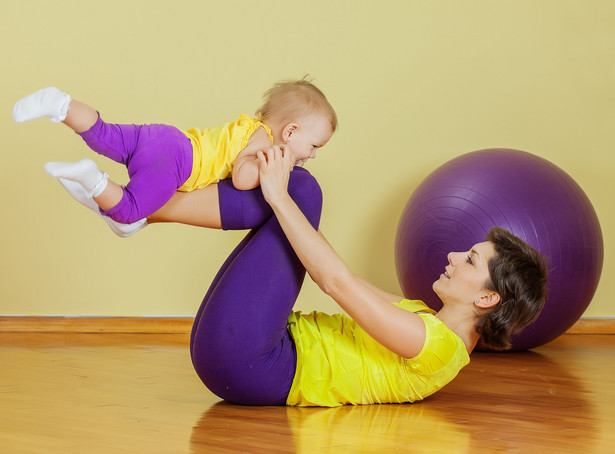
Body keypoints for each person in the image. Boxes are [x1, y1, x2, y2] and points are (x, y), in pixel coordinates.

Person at [144, 145, 549, 406]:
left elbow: (336, 284)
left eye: (472, 260)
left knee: (299, 192)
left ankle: (144, 208)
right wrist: (286, 204)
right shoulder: (426, 322)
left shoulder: (436, 346)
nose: (454, 255)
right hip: (245, 353)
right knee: (296, 198)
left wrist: (283, 197)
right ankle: (146, 209)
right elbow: (344, 274)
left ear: (486, 299)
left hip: (253, 361)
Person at [12, 78, 337, 237]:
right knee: (128, 213)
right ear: (290, 132)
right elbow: (241, 177)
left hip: (167, 137)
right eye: (314, 146)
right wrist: (272, 168)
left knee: (103, 133)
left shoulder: (252, 126)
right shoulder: (263, 142)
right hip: (177, 164)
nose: (310, 156)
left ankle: (60, 104)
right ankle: (91, 178)